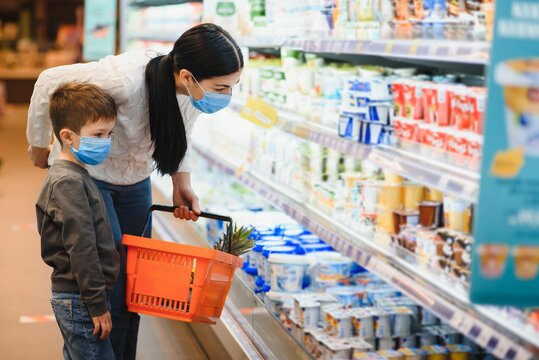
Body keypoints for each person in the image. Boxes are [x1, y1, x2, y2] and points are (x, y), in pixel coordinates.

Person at [27, 23, 244, 360]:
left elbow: (179, 132)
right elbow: (47, 82)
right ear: (188, 75)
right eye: (222, 87)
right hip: (92, 175)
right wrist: (39, 144)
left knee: (132, 287)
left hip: (136, 181)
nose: (226, 96)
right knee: (101, 274)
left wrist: (181, 182)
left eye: (233, 87)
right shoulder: (123, 80)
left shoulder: (190, 93)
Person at [36, 82, 120, 360]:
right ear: (68, 136)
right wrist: (97, 305)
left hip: (81, 295)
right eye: (98, 134)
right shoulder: (67, 182)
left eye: (109, 133)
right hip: (81, 298)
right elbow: (81, 247)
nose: (105, 141)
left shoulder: (75, 173)